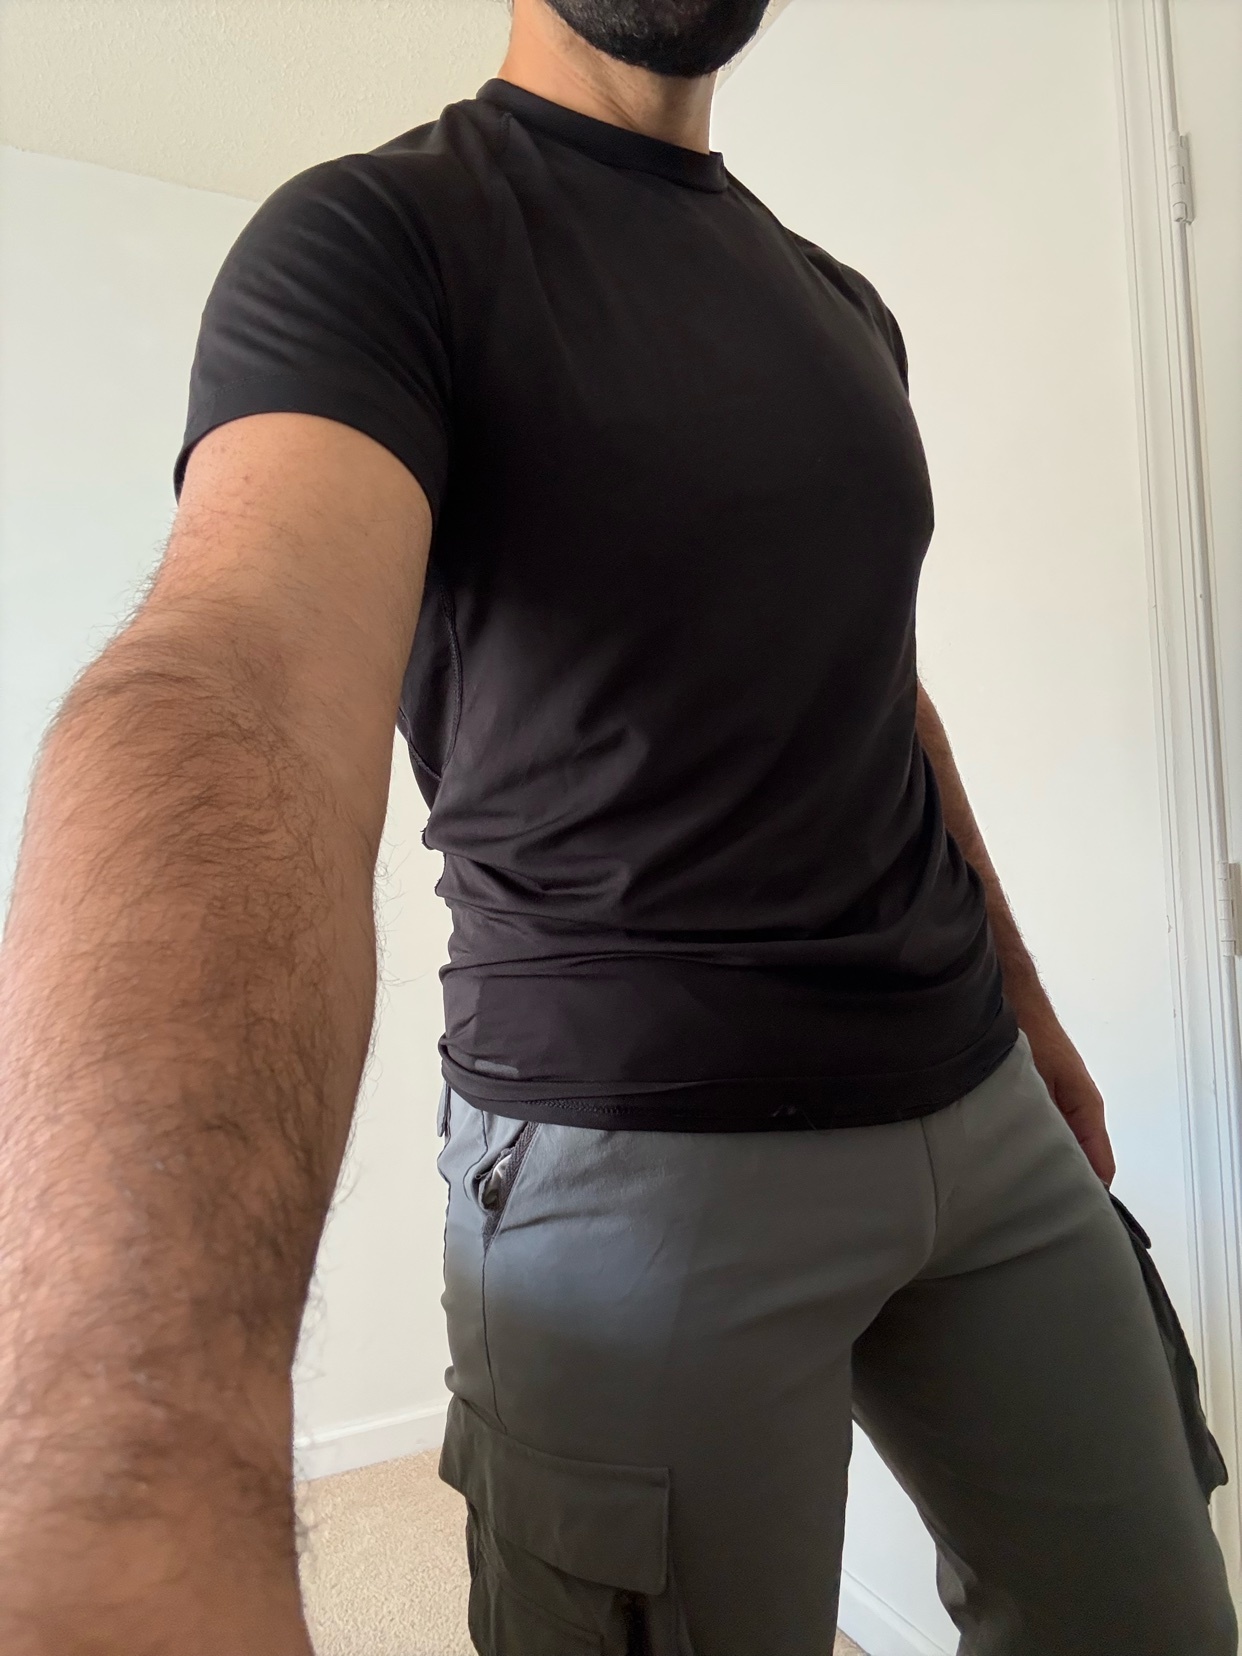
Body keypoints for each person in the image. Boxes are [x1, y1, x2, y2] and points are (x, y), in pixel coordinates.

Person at [0, 0, 1234, 1651]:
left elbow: (879, 687)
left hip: (979, 1107)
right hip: (638, 1155)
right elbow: (238, 675)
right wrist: (127, 1471)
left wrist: (1026, 1005)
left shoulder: (841, 308)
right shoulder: (378, 235)